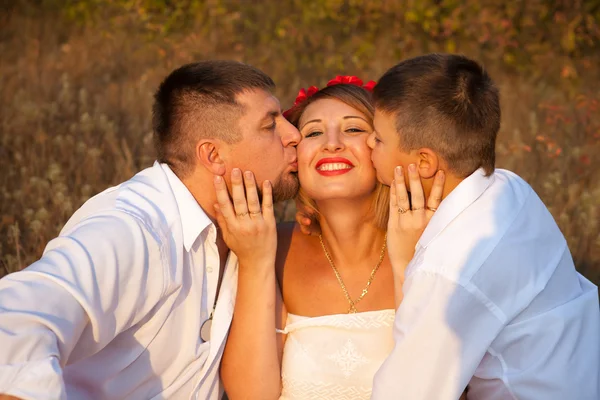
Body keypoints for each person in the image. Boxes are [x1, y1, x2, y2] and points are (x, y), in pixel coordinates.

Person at [0, 60, 301, 400]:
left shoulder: (246, 228)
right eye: (270, 125)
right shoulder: (132, 228)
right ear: (213, 155)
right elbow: (13, 321)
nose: (294, 135)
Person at [367, 53, 600, 399]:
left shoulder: (450, 269)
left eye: (378, 138)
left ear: (424, 162)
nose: (369, 143)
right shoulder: (509, 187)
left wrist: (407, 260)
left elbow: (408, 391)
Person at [214, 77, 445, 400]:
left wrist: (408, 264)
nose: (332, 143)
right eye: (313, 132)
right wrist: (256, 263)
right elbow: (251, 396)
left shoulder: (432, 240)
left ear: (384, 148)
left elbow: (438, 388)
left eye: (353, 129)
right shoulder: (268, 247)